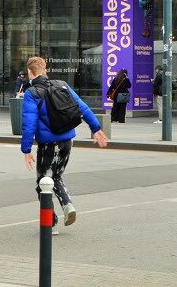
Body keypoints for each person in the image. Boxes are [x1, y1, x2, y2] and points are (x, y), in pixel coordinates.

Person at [21, 55, 107, 228]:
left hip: (47, 144)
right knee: (57, 176)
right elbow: (82, 107)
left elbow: (29, 122)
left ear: (30, 72)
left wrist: (26, 149)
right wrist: (96, 128)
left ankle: (50, 223)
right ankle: (68, 206)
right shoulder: (62, 85)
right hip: (67, 139)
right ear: (45, 70)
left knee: (42, 182)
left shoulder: (31, 93)